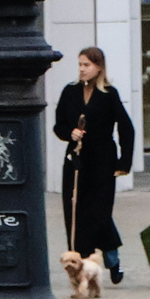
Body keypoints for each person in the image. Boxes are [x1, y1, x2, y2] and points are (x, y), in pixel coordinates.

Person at [51, 47, 135, 283]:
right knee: (76, 211)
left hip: (102, 161)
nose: (82, 69)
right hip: (76, 161)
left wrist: (124, 163)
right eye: (79, 64)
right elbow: (58, 125)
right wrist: (71, 133)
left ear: (98, 67)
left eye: (86, 65)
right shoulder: (70, 92)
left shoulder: (109, 94)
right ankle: (82, 264)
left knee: (98, 211)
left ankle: (111, 255)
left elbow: (126, 128)